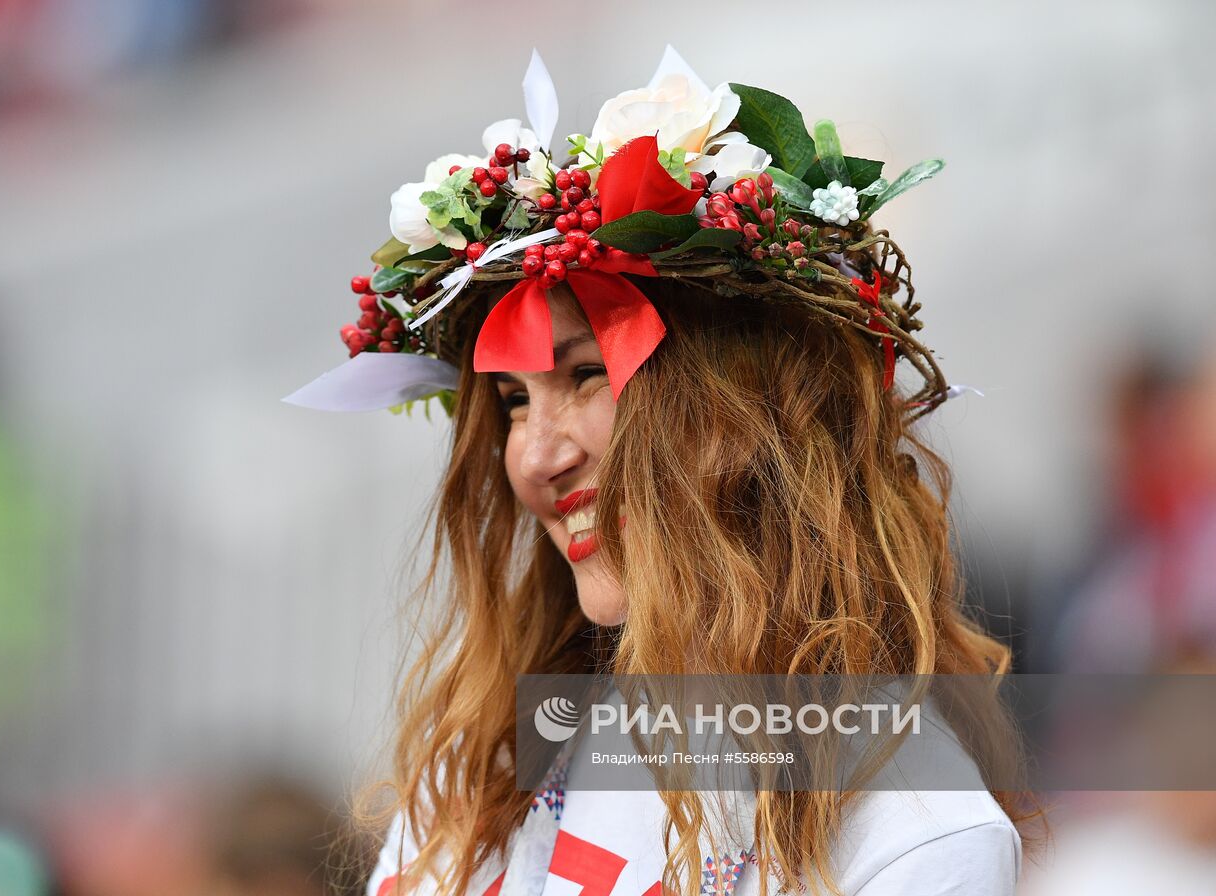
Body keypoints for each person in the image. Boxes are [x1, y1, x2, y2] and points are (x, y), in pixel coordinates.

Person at [286, 46, 1039, 896]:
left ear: (748, 410)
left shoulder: (913, 837)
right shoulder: (492, 759)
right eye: (511, 402)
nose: (537, 454)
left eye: (585, 375)